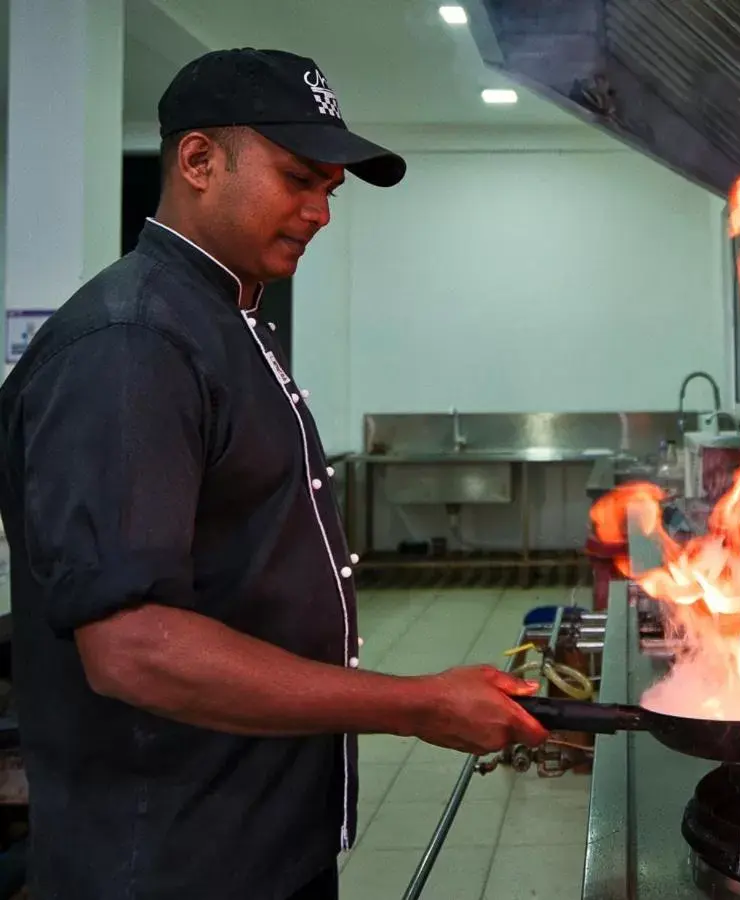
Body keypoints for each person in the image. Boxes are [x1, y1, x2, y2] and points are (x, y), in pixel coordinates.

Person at [0, 48, 549, 900]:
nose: (321, 211)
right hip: (169, 864)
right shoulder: (133, 345)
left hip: (256, 846)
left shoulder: (222, 320)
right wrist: (412, 703)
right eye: (298, 177)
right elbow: (133, 649)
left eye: (330, 188)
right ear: (198, 160)